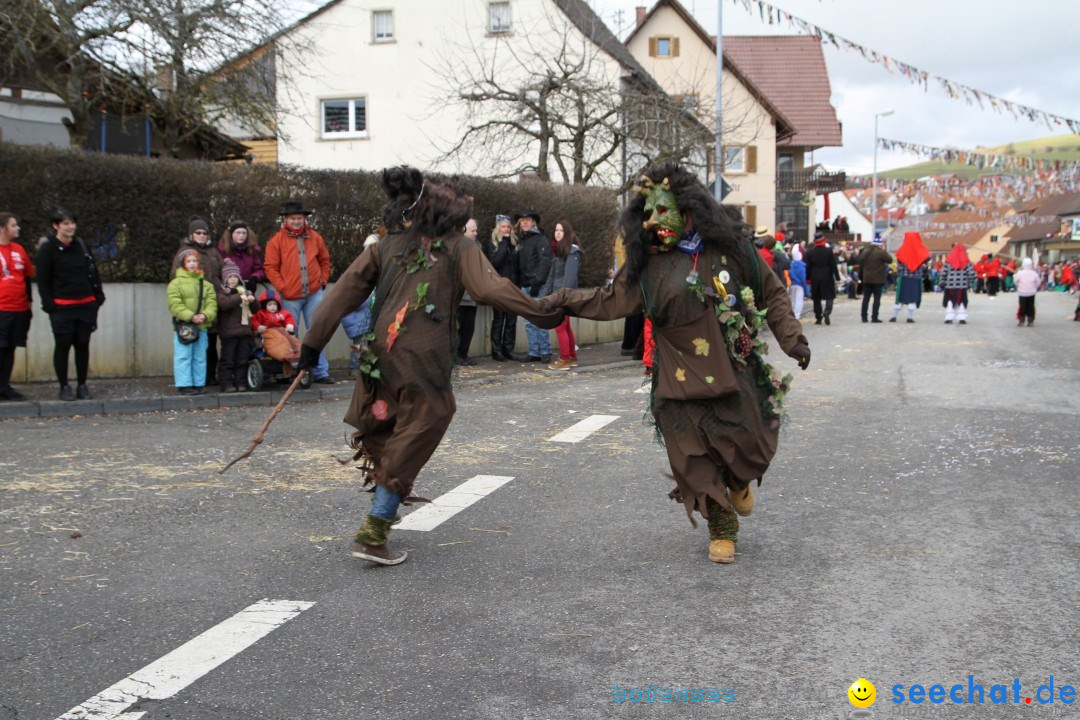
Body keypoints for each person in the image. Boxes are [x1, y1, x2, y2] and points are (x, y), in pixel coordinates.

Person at [542, 163, 810, 565]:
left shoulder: (731, 248)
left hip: (731, 368)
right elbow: (610, 301)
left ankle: (737, 482)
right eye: (647, 214)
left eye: (662, 211)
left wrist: (793, 339)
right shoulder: (648, 264)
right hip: (676, 379)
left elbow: (772, 292)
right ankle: (722, 527)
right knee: (691, 457)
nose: (653, 221)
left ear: (688, 211)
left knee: (746, 443)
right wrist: (562, 299)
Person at [296, 166, 563, 566]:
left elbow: (339, 295)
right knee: (431, 414)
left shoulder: (387, 245)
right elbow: (490, 289)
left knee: (389, 417)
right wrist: (542, 312)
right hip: (423, 357)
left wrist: (311, 346)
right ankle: (376, 527)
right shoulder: (459, 247)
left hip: (379, 356)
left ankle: (387, 491)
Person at [36, 208, 105, 401]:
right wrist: (49, 304)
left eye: (72, 222)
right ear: (56, 226)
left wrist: (98, 296)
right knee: (63, 344)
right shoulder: (47, 248)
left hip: (86, 304)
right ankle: (64, 386)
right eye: (66, 223)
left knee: (83, 344)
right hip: (62, 306)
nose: (71, 227)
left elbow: (93, 270)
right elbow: (43, 280)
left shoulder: (82, 245)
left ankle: (82, 385)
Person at [264, 201, 334, 384]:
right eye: (293, 218)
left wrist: (323, 280)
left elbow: (325, 260)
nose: (296, 221)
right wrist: (283, 287)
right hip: (290, 296)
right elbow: (270, 267)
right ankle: (291, 371)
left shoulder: (315, 237)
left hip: (314, 293)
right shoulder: (276, 241)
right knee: (289, 334)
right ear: (286, 219)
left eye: (299, 218)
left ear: (304, 219)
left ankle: (320, 372)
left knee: (318, 331)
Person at [171, 218, 224, 382]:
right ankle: (188, 381)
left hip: (212, 302)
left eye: (204, 233)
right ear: (191, 234)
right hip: (192, 306)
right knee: (188, 346)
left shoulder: (213, 252)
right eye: (198, 233)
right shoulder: (184, 252)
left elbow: (222, 272)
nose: (202, 235)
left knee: (210, 342)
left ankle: (208, 377)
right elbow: (175, 277)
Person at [167, 249, 218, 395]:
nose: (192, 264)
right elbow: (174, 304)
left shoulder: (206, 284)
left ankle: (198, 383)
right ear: (183, 264)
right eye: (189, 261)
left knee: (200, 355)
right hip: (185, 325)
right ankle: (184, 384)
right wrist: (191, 316)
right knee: (184, 354)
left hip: (201, 326)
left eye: (194, 261)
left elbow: (212, 303)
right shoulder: (175, 284)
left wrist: (205, 315)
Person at [0, 213, 34, 401]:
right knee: (0, 348)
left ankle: (5, 386)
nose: (17, 228)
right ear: (3, 228)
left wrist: (29, 304)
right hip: (1, 308)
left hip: (19, 308)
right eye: (14, 225)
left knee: (11, 348)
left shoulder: (19, 250)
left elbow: (27, 278)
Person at [515, 209, 553, 362]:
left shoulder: (540, 238)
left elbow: (545, 261)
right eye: (522, 220)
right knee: (529, 321)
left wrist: (538, 281)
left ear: (533, 222)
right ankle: (534, 351)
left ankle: (545, 351)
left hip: (537, 285)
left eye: (528, 220)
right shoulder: (520, 239)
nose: (524, 222)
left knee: (540, 318)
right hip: (525, 284)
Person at [215, 259, 258, 392]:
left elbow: (256, 309)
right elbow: (224, 304)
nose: (233, 280)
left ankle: (241, 383)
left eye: (235, 277)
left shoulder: (244, 291)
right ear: (225, 279)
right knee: (228, 359)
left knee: (242, 359)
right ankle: (226, 383)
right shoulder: (223, 292)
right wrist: (241, 297)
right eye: (230, 277)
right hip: (229, 333)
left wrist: (252, 299)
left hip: (245, 331)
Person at [545, 219, 583, 371]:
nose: (557, 233)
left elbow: (570, 278)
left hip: (564, 297)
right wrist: (546, 296)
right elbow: (552, 276)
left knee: (560, 326)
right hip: (557, 295)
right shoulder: (558, 251)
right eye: (556, 230)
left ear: (567, 233)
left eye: (561, 230)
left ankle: (565, 359)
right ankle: (571, 357)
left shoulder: (572, 252)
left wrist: (563, 298)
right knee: (565, 327)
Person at [342, 232, 380, 378]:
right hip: (359, 318)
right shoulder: (362, 269)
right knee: (361, 344)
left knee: (367, 344)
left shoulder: (375, 268)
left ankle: (364, 367)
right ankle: (354, 368)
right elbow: (355, 296)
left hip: (365, 316)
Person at [484, 214, 520, 361]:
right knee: (499, 319)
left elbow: (518, 266)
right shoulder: (492, 244)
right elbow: (495, 262)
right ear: (497, 228)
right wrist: (504, 244)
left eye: (508, 226)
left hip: (512, 287)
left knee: (512, 319)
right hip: (498, 287)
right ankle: (496, 351)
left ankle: (508, 349)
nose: (506, 229)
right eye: (503, 226)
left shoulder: (514, 243)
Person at [252, 290, 301, 374]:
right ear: (264, 305)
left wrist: (290, 325)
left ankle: (297, 354)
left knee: (294, 341)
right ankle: (286, 356)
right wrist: (258, 327)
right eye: (270, 305)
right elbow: (254, 320)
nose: (273, 307)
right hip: (268, 333)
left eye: (274, 304)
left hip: (283, 333)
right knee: (277, 345)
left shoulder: (283, 313)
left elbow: (289, 319)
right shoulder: (261, 313)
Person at [455, 218, 480, 366]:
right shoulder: (457, 247)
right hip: (460, 296)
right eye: (473, 230)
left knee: (469, 328)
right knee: (458, 327)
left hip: (472, 295)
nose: (476, 233)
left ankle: (464, 354)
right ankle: (456, 355)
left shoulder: (477, 246)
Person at [889, 232, 930, 323]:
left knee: (900, 297)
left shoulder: (902, 250)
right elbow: (927, 258)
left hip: (904, 277)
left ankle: (894, 316)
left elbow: (898, 263)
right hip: (916, 277)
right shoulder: (921, 250)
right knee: (913, 297)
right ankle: (909, 317)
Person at [217, 222, 266, 292]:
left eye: (244, 233)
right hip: (228, 288)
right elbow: (218, 271)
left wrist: (254, 277)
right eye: (238, 233)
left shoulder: (252, 250)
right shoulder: (222, 250)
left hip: (247, 287)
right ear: (231, 234)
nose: (241, 235)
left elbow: (259, 269)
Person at [804, 231, 840, 325]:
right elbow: (833, 265)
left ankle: (818, 317)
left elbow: (808, 267)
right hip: (827, 276)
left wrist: (807, 278)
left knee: (816, 298)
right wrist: (837, 277)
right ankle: (827, 311)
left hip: (815, 276)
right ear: (823, 240)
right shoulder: (828, 251)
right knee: (830, 296)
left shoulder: (810, 252)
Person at [856, 237, 892, 323]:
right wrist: (884, 250)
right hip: (878, 280)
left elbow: (860, 260)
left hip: (866, 279)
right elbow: (890, 260)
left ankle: (864, 317)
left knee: (866, 298)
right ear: (879, 244)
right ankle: (874, 317)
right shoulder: (881, 253)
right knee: (876, 299)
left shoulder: (865, 252)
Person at [941, 243, 976, 324]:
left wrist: (942, 282)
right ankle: (962, 317)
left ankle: (949, 317)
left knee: (950, 301)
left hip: (950, 285)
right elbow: (971, 273)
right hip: (962, 285)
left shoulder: (949, 260)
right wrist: (970, 282)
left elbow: (943, 272)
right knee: (962, 301)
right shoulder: (966, 261)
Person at [1014, 257, 1040, 327]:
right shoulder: (1034, 273)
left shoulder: (1020, 273)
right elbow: (1038, 282)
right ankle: (1030, 321)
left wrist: (1019, 286)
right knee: (1030, 307)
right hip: (1031, 293)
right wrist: (1034, 287)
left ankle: (1021, 321)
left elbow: (1015, 281)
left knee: (1022, 307)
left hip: (1022, 293)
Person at [788, 243, 807, 320]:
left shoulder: (791, 264)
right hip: (799, 285)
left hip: (792, 284)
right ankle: (797, 315)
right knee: (799, 300)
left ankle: (792, 314)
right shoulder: (802, 265)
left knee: (792, 299)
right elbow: (803, 277)